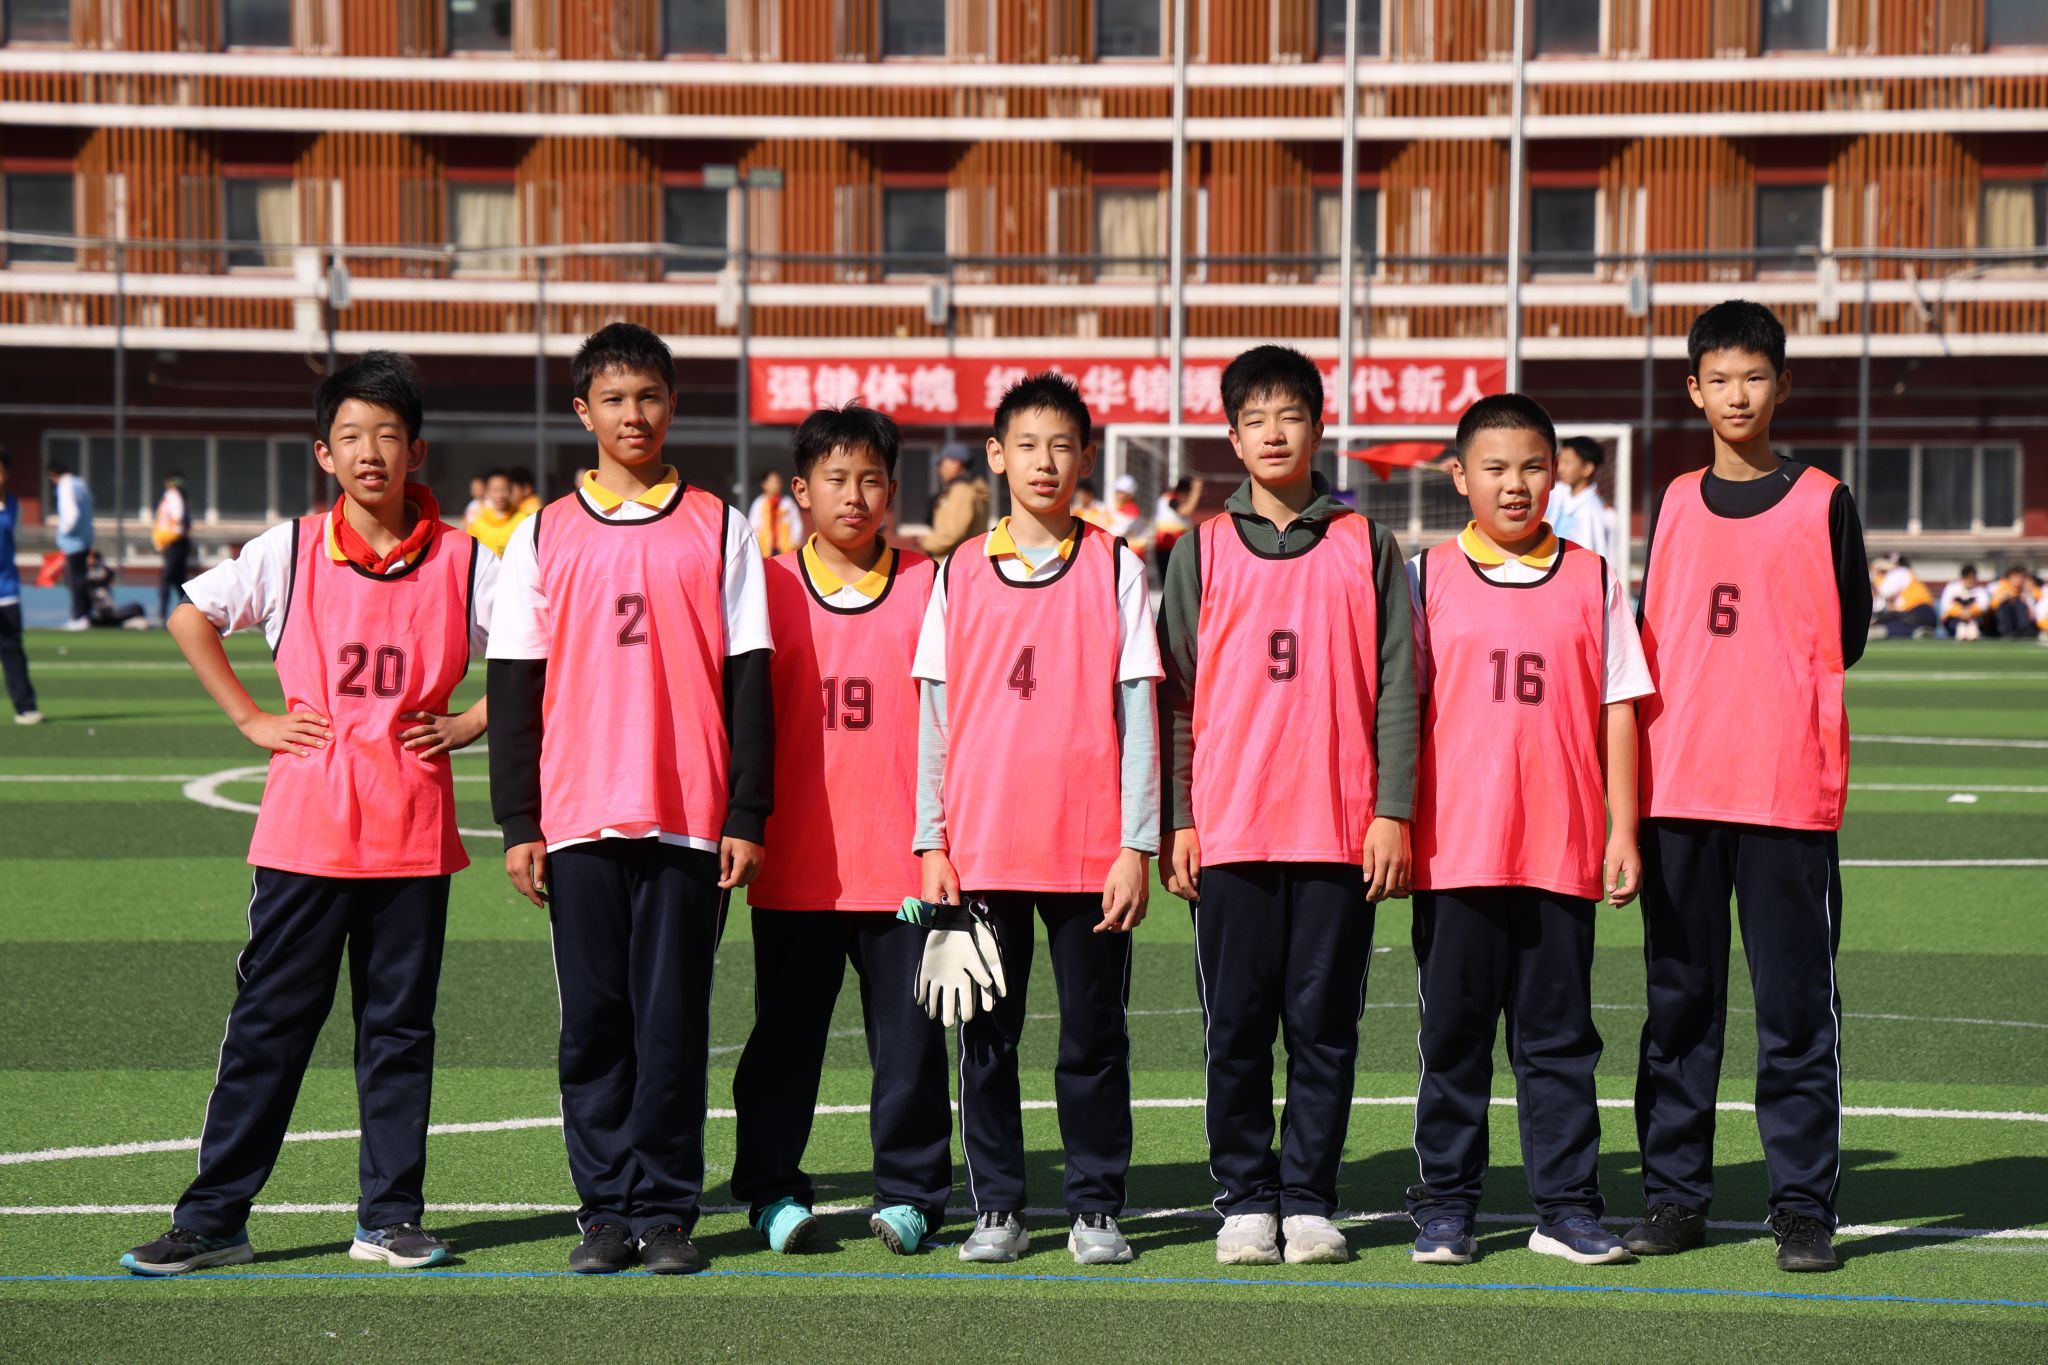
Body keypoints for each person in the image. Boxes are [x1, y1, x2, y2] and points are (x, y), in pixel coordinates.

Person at [120, 351, 494, 1276]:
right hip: (305, 835)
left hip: (412, 837)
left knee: (398, 1035)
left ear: (415, 452)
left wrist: (471, 721)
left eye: (388, 436)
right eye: (351, 436)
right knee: (269, 1027)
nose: (370, 452)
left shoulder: (464, 560)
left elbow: (544, 651)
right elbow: (189, 615)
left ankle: (389, 1218)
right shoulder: (287, 549)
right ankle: (214, 1218)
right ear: (324, 453)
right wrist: (253, 718)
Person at [488, 322, 772, 1276]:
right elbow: (515, 685)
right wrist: (519, 822)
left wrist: (746, 812)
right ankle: (605, 1211)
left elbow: (749, 676)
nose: (633, 414)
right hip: (576, 818)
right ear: (584, 412)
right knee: (594, 1025)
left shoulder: (721, 526)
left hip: (689, 817)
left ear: (672, 405)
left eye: (648, 396)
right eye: (613, 398)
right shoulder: (539, 532)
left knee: (673, 1023)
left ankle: (666, 1212)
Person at [1156, 345, 1416, 1267]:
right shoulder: (1200, 549)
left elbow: (1400, 683)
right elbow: (1175, 696)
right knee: (1235, 1027)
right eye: (1254, 418)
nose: (1273, 432)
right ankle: (1244, 1198)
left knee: (1323, 1028)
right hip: (1230, 829)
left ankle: (1307, 1196)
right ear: (1232, 437)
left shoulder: (1366, 544)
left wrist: (1391, 807)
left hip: (1337, 829)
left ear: (1318, 428)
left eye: (1290, 415)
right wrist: (1179, 817)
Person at [1628, 300, 1871, 1274]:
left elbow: (1847, 633)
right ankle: (1673, 1196)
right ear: (1693, 390)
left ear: (1782, 385)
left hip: (1783, 793)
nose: (1737, 394)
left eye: (1754, 376)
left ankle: (1801, 1208)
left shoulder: (1824, 500)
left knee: (1794, 1012)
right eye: (1719, 378)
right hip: (1678, 791)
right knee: (1678, 1005)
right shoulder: (1673, 501)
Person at [913, 372, 1160, 1267]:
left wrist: (1136, 843)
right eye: (1027, 445)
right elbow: (935, 715)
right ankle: (999, 1208)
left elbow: (1139, 712)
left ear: (1085, 456)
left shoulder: (1117, 564)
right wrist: (932, 840)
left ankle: (1095, 1206)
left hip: (1090, 852)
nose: (1045, 462)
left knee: (1094, 1038)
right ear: (996, 456)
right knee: (986, 1036)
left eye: (1061, 445)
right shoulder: (956, 571)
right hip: (982, 850)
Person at [1404, 394, 1652, 1269]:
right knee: (1454, 1039)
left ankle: (1567, 1207)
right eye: (1496, 468)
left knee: (1558, 1042)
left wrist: (1624, 827)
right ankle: (1446, 1206)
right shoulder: (1425, 576)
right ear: (1460, 476)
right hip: (1454, 851)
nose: (1515, 485)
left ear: (1557, 474)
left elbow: (1619, 705)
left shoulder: (1593, 575)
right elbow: (1399, 709)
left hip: (1560, 848)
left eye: (1533, 467)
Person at [729, 402, 951, 1259]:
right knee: (783, 1042)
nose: (853, 495)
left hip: (904, 863)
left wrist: (943, 841)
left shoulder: (931, 583)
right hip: (796, 864)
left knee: (912, 1043)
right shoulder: (767, 585)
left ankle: (912, 1191)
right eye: (835, 479)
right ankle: (772, 1191)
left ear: (892, 489)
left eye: (870, 480)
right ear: (800, 489)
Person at [0, 452, 42, 725]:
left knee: (12, 649)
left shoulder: (14, 504)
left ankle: (25, 707)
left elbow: (15, 540)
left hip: (7, 590)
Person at [1545, 435, 1614, 563]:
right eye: (1559, 462)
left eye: (1567, 463)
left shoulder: (1590, 510)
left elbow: (1589, 556)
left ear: (1587, 469)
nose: (1560, 469)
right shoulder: (1562, 494)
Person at [921, 446, 991, 558]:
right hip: (963, 560)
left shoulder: (961, 491)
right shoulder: (968, 488)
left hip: (954, 562)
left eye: (941, 463)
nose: (940, 469)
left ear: (956, 464)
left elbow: (952, 534)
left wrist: (926, 543)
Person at [48, 459, 94, 631]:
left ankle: (79, 616)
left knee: (74, 579)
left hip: (74, 541)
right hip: (85, 537)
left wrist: (63, 532)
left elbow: (71, 514)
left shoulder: (66, 486)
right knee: (79, 577)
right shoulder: (80, 483)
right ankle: (84, 614)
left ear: (54, 475)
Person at [153, 472, 193, 624]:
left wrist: (166, 537)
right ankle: (190, 612)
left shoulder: (173, 495)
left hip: (175, 543)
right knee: (178, 581)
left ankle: (161, 614)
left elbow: (177, 518)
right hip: (175, 543)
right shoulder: (178, 496)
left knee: (167, 578)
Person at [1152, 475, 1203, 578]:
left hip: (1175, 548)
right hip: (1167, 549)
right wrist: (1197, 490)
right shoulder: (1170, 498)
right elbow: (1186, 511)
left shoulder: (1174, 501)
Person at [1872, 554, 1935, 637]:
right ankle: (1918, 631)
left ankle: (1916, 630)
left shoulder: (1901, 572)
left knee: (1890, 626)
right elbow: (1879, 605)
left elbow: (1885, 591)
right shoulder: (1893, 576)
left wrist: (1877, 573)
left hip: (1919, 611)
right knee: (1890, 623)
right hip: (1913, 614)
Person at [465, 468, 523, 557]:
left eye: (504, 489)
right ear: (487, 492)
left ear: (511, 490)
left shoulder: (522, 520)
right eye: (495, 490)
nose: (500, 495)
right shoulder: (478, 523)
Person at [85, 549, 148, 628]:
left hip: (111, 613)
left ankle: (124, 623)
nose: (92, 560)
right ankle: (124, 624)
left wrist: (99, 562)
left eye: (95, 558)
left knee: (137, 608)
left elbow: (108, 574)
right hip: (97, 615)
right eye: (90, 558)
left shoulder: (104, 572)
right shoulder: (84, 576)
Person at [750, 468, 803, 556]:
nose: (777, 485)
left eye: (778, 482)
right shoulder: (759, 503)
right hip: (765, 552)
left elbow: (797, 524)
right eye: (773, 482)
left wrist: (795, 542)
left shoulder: (788, 503)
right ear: (764, 484)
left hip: (786, 551)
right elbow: (753, 527)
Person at [1938, 565, 1990, 641]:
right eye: (1967, 578)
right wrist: (1960, 612)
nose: (1970, 580)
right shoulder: (1951, 588)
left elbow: (1983, 606)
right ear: (1962, 578)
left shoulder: (1981, 591)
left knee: (1977, 622)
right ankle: (1960, 630)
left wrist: (1970, 612)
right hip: (1954, 621)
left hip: (1973, 620)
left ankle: (1972, 631)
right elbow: (1945, 605)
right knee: (1949, 618)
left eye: (1972, 578)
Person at [1988, 565, 2040, 640]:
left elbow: (2038, 595)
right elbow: (1992, 606)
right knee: (2005, 604)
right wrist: (2003, 598)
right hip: (2001, 621)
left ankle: (2025, 630)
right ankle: (2007, 631)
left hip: (2023, 622)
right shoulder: (2002, 586)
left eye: (2021, 577)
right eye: (2015, 577)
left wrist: (2028, 595)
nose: (2019, 580)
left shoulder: (2026, 587)